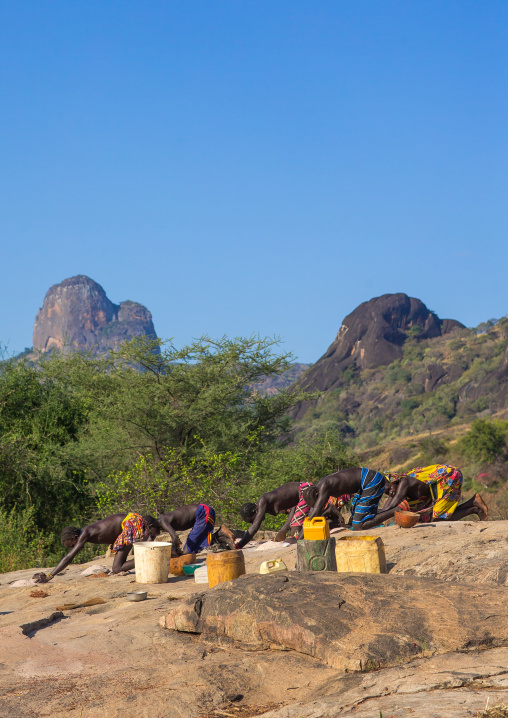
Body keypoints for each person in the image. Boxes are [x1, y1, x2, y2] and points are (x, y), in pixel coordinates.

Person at [39, 512, 160, 582]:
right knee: (118, 566)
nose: (74, 548)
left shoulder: (85, 533)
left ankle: (151, 557)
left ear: (75, 537)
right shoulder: (87, 532)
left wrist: (50, 575)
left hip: (129, 523)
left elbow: (68, 558)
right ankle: (150, 555)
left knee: (117, 569)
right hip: (130, 522)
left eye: (72, 545)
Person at [383, 464, 488, 522]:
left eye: (389, 489)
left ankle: (474, 507)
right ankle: (474, 505)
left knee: (438, 519)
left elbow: (392, 505)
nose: (390, 493)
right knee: (427, 519)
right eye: (387, 493)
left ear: (394, 481)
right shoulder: (396, 489)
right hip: (439, 486)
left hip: (448, 477)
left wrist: (376, 517)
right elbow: (386, 508)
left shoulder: (404, 482)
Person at [235, 482, 303, 549]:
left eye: (253, 520)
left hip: (303, 493)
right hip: (299, 500)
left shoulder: (263, 501)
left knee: (295, 534)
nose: (255, 522)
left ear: (254, 511)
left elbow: (254, 528)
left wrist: (239, 545)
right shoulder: (268, 505)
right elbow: (253, 526)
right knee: (295, 529)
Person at [157, 503, 235, 554]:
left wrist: (173, 549)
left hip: (203, 512)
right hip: (205, 511)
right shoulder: (162, 521)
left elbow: (175, 537)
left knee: (187, 552)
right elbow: (148, 541)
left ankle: (221, 535)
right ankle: (221, 535)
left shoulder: (162, 520)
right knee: (199, 545)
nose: (152, 535)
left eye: (150, 533)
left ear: (151, 526)